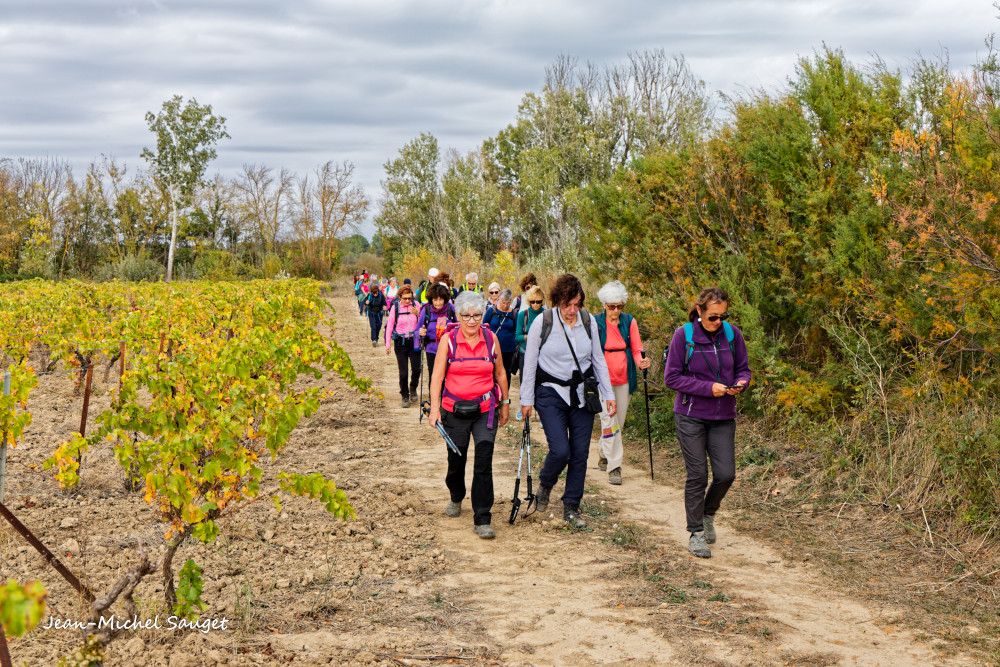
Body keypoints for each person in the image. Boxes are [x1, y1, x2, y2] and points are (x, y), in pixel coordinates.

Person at [520, 274, 615, 529]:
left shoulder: (588, 321)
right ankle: (546, 483)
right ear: (556, 301)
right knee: (561, 450)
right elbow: (530, 363)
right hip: (550, 392)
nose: (572, 310)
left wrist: (609, 394)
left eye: (576, 304)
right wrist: (526, 399)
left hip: (583, 394)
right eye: (567, 305)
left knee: (580, 453)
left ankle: (571, 506)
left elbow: (598, 360)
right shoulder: (543, 322)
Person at [663, 286, 751, 559]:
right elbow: (671, 378)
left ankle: (708, 513)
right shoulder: (684, 336)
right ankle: (696, 533)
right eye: (713, 316)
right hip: (690, 415)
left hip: (723, 415)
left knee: (726, 474)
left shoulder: (732, 334)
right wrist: (707, 388)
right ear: (699, 311)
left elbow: (744, 369)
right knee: (698, 475)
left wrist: (741, 383)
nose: (718, 322)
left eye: (723, 316)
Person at [428, 291, 510, 539]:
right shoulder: (448, 340)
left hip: (485, 410)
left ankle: (482, 518)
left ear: (483, 315)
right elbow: (437, 377)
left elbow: (500, 373)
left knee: (484, 461)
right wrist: (435, 409)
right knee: (457, 459)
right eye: (466, 316)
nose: (472, 320)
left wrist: (505, 403)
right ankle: (456, 494)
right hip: (454, 410)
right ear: (458, 316)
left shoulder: (491, 338)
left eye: (476, 315)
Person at [593, 281, 651, 485]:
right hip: (603, 380)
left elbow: (636, 348)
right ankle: (614, 466)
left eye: (619, 306)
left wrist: (641, 362)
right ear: (604, 305)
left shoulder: (629, 321)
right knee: (610, 420)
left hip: (625, 378)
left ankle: (603, 452)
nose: (616, 311)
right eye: (612, 306)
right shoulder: (595, 322)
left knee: (619, 423)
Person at [416, 283, 457, 395]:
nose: (438, 303)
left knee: (448, 377)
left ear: (445, 299)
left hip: (449, 350)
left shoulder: (451, 309)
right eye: (435, 300)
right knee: (433, 376)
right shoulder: (426, 310)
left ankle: (445, 401)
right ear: (431, 299)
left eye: (440, 299)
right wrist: (420, 333)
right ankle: (433, 400)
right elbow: (417, 330)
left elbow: (459, 326)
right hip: (432, 349)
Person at [385, 285, 422, 407]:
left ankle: (413, 387)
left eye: (409, 298)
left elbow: (423, 321)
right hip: (400, 343)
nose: (407, 301)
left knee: (417, 369)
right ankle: (405, 395)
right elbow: (390, 326)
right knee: (403, 372)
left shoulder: (416, 305)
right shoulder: (395, 307)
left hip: (414, 341)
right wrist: (387, 344)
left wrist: (418, 313)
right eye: (405, 298)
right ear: (399, 297)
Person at [514, 285, 546, 420]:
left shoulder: (547, 315)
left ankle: (542, 412)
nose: (535, 304)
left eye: (538, 302)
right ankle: (523, 406)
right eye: (532, 301)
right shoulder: (523, 315)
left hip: (543, 354)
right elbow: (517, 336)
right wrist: (529, 337)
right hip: (525, 352)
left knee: (542, 382)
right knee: (525, 380)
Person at [483, 288, 518, 386]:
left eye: (508, 303)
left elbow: (517, 330)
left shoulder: (514, 314)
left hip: (509, 350)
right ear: (499, 300)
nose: (505, 305)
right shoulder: (491, 311)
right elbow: (484, 327)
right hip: (492, 348)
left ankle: (505, 393)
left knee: (506, 373)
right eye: (503, 302)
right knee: (491, 371)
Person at [364, 279, 388, 347]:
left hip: (379, 314)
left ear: (378, 291)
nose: (375, 294)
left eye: (376, 293)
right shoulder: (369, 295)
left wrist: (385, 307)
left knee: (378, 326)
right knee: (373, 326)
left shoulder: (381, 295)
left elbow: (384, 303)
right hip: (371, 313)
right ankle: (374, 340)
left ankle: (376, 339)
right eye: (374, 293)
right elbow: (365, 302)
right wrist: (366, 302)